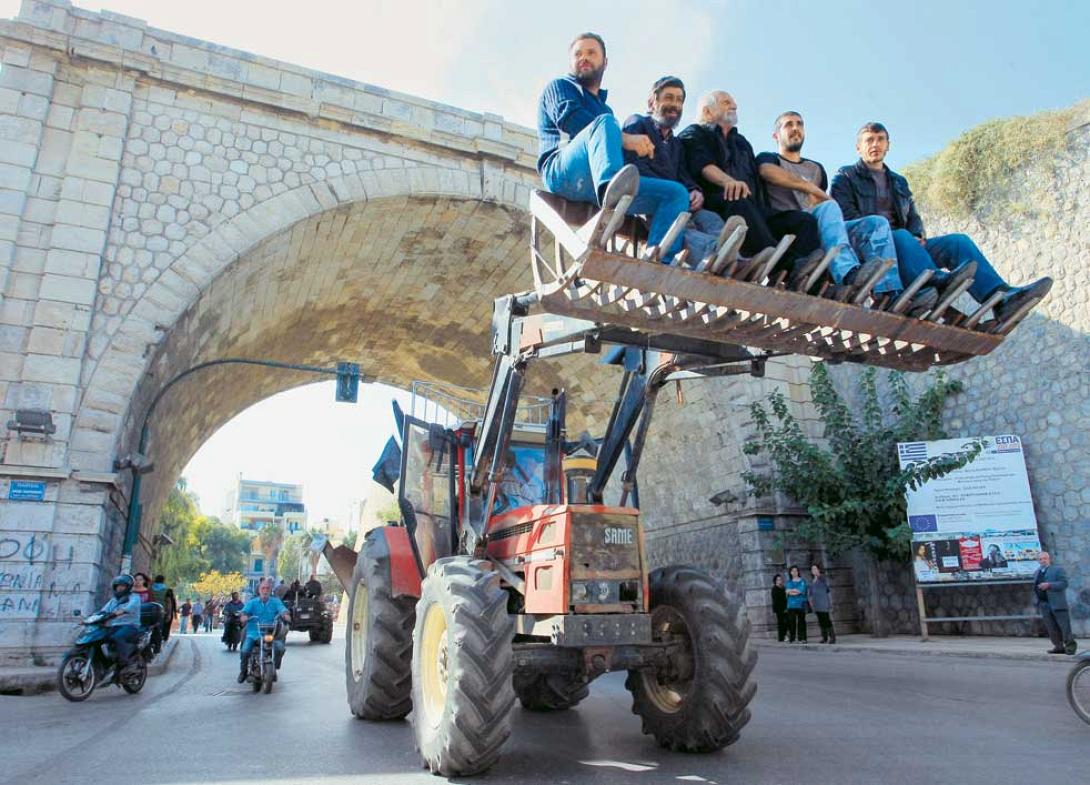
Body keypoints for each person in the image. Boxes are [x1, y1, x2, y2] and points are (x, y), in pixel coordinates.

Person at [831, 122, 1052, 322]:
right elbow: (847, 219)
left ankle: (1002, 298)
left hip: (906, 244)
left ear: (888, 145)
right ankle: (936, 283)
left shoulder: (898, 182)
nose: (875, 144)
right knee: (899, 235)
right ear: (858, 147)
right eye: (869, 140)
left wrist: (918, 235)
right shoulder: (845, 177)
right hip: (873, 249)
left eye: (880, 139)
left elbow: (912, 216)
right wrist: (893, 235)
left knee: (958, 242)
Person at [756, 111, 939, 311]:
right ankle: (848, 273)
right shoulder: (768, 158)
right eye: (788, 125)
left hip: (818, 226)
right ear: (776, 135)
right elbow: (767, 172)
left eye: (799, 124)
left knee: (876, 223)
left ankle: (888, 293)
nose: (795, 128)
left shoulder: (815, 168)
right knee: (829, 206)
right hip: (787, 224)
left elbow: (820, 205)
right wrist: (809, 187)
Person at [537, 33, 690, 260]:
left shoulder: (605, 110)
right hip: (563, 172)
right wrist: (627, 139)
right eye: (578, 54)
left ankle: (659, 265)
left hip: (595, 185)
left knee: (675, 193)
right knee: (606, 123)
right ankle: (611, 187)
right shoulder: (560, 87)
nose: (584, 58)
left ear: (605, 62)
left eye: (591, 53)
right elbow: (570, 119)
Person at [679, 91, 821, 281]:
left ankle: (805, 277)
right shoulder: (694, 133)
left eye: (734, 102)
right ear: (707, 112)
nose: (734, 106)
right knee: (739, 197)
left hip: (753, 207)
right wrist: (728, 182)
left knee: (804, 221)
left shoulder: (741, 142)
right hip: (718, 203)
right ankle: (782, 266)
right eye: (726, 102)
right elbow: (703, 166)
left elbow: (756, 179)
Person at [622, 76, 725, 262]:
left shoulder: (676, 144)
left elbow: (682, 175)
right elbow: (633, 167)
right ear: (652, 103)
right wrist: (675, 190)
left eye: (679, 100)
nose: (675, 105)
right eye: (669, 98)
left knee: (711, 218)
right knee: (682, 228)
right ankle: (715, 253)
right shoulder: (638, 123)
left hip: (678, 199)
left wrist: (694, 191)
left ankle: (733, 256)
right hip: (647, 200)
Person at [237, 578, 291, 683]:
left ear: (270, 590)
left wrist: (285, 615)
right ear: (259, 590)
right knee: (245, 650)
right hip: (253, 633)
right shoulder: (252, 603)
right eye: (263, 588)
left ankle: (274, 668)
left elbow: (282, 609)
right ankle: (243, 672)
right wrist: (243, 616)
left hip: (271, 634)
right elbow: (244, 612)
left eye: (267, 588)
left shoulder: (275, 602)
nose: (265, 590)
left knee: (279, 648)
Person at [1033, 551, 1076, 655]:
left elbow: (1064, 583)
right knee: (1051, 627)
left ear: (1049, 559)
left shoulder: (1057, 570)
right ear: (1038, 561)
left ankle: (1070, 647)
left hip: (1057, 604)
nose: (1043, 560)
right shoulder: (1036, 572)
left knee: (1064, 626)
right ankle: (1058, 646)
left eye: (1045, 558)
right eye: (1040, 559)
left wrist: (1049, 585)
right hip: (1044, 604)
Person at [97, 574, 142, 671]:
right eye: (117, 586)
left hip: (130, 626)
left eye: (122, 586)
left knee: (117, 637)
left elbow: (131, 607)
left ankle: (127, 662)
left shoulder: (134, 597)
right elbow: (103, 611)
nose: (119, 588)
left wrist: (121, 611)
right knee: (99, 638)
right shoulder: (113, 601)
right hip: (114, 626)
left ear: (128, 587)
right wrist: (92, 618)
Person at [809, 564, 836, 644]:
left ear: (818, 570)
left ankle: (832, 637)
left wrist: (818, 575)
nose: (814, 570)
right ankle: (824, 637)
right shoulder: (812, 581)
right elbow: (811, 593)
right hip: (816, 604)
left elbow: (827, 589)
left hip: (823, 603)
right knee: (821, 621)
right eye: (812, 569)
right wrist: (811, 603)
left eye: (815, 569)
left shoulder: (822, 579)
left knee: (826, 620)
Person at [148, 574, 177, 643]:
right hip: (161, 611)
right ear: (163, 581)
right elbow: (169, 602)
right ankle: (158, 642)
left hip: (149, 609)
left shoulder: (150, 589)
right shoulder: (167, 590)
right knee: (159, 627)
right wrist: (169, 614)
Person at [784, 565, 808, 643]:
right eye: (793, 571)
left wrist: (792, 591)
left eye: (796, 571)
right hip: (791, 605)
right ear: (790, 573)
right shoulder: (789, 582)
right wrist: (794, 591)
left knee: (802, 621)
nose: (795, 572)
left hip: (801, 603)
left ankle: (802, 638)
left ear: (798, 572)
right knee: (792, 622)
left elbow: (800, 591)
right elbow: (787, 592)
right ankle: (792, 638)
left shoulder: (802, 581)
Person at [770, 574, 788, 642]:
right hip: (779, 608)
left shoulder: (783, 588)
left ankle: (783, 636)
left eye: (780, 579)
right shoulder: (774, 589)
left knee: (785, 622)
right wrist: (782, 608)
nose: (779, 581)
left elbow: (785, 598)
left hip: (785, 607)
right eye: (778, 580)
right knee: (781, 623)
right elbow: (776, 600)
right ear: (775, 581)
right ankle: (782, 637)